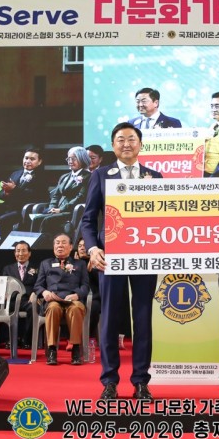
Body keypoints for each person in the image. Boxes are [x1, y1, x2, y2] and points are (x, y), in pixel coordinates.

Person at [80, 122, 163, 400]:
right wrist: (93, 248)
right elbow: (88, 219)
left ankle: (141, 381)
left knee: (143, 318)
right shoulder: (101, 175)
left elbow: (165, 219)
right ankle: (109, 381)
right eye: (120, 140)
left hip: (145, 257)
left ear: (140, 144)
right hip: (110, 257)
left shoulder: (155, 177)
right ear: (113, 145)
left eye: (131, 139)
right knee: (110, 319)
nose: (126, 144)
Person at [34, 233, 89, 366]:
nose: (60, 245)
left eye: (64, 243)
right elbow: (38, 286)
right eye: (57, 243)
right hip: (53, 299)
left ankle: (75, 348)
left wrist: (77, 295)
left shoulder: (80, 264)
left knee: (76, 308)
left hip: (72, 299)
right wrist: (44, 292)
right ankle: (52, 350)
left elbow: (85, 286)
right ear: (53, 247)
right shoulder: (45, 264)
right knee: (53, 308)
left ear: (70, 247)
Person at [29, 146, 91, 234]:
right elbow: (56, 195)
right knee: (36, 219)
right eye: (69, 159)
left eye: (74, 159)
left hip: (71, 211)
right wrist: (52, 208)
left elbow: (80, 197)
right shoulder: (64, 176)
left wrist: (61, 209)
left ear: (82, 159)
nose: (70, 161)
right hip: (56, 210)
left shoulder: (88, 176)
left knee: (46, 220)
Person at [0, 148, 49, 235]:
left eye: (32, 159)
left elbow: (35, 195)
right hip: (8, 208)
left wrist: (14, 189)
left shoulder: (42, 177)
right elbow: (1, 195)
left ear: (39, 162)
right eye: (26, 158)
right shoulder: (15, 173)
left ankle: (5, 242)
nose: (28, 161)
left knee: (4, 219)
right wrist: (6, 192)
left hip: (24, 210)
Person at [2, 240, 39, 349]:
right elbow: (3, 285)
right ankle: (10, 339)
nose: (20, 253)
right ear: (14, 253)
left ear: (29, 253)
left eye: (23, 250)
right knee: (4, 308)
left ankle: (26, 340)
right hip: (12, 300)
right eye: (18, 251)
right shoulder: (8, 269)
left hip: (28, 300)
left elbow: (40, 283)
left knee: (34, 308)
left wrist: (35, 293)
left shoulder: (37, 268)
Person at [74, 238, 101, 346]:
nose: (82, 248)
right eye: (80, 246)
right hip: (77, 296)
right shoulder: (72, 263)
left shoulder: (98, 262)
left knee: (93, 306)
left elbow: (100, 283)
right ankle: (74, 338)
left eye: (85, 245)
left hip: (94, 296)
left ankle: (88, 337)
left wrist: (92, 270)